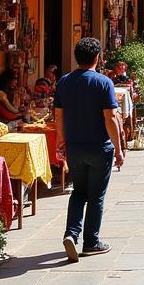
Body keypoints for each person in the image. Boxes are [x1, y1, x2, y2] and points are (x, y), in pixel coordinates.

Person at [54, 37, 124, 262]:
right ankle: (91, 242)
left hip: (75, 146)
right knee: (96, 196)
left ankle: (71, 234)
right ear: (98, 57)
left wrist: (60, 141)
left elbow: (58, 115)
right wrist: (119, 148)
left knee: (78, 192)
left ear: (77, 57)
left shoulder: (64, 82)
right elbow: (110, 117)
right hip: (99, 148)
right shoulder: (104, 83)